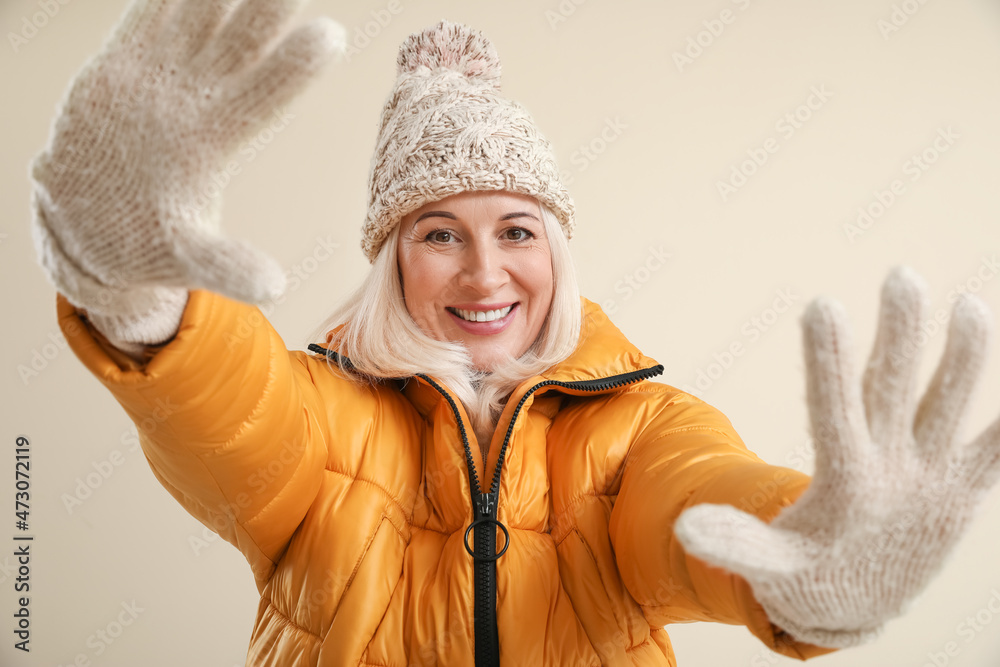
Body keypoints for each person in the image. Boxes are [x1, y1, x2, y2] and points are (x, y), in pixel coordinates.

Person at [28, 1, 1000, 665]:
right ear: (394, 259)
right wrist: (129, 284)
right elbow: (224, 404)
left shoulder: (646, 424)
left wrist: (817, 563)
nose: (484, 272)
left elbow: (706, 502)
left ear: (556, 252)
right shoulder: (323, 415)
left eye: (517, 231)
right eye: (439, 233)